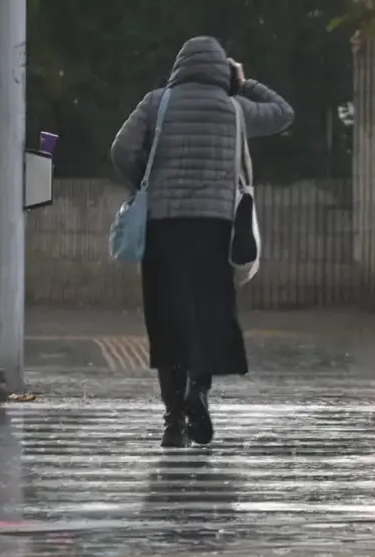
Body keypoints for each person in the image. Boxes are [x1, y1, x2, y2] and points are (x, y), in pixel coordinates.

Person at [110, 36, 294, 448]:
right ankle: (199, 392)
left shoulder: (156, 103)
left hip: (163, 227)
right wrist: (244, 83)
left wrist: (145, 180)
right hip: (214, 228)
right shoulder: (234, 109)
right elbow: (283, 114)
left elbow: (121, 149)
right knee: (207, 315)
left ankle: (173, 421)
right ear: (221, 72)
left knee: (167, 317)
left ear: (179, 67)